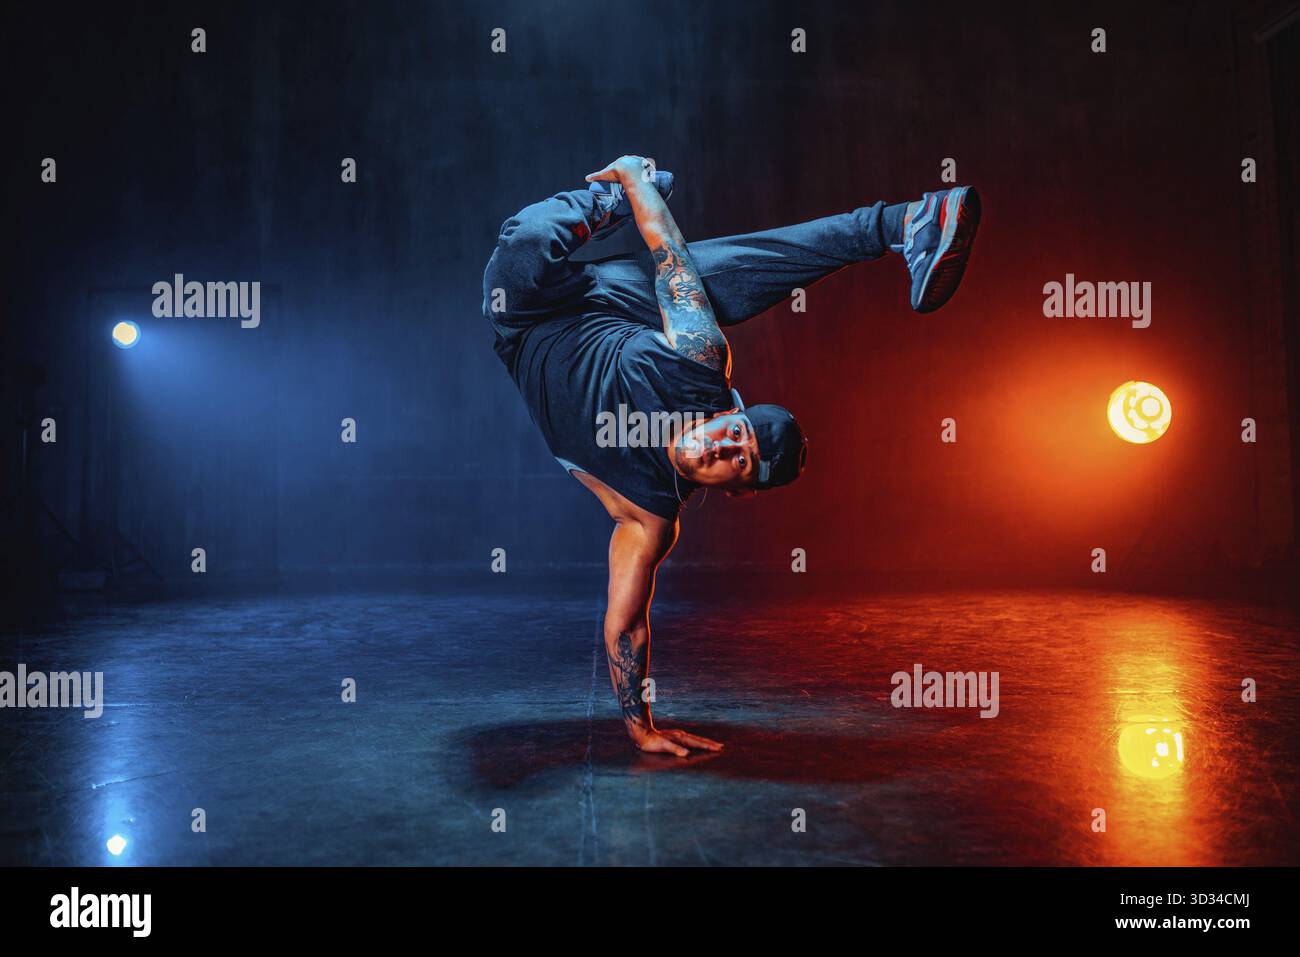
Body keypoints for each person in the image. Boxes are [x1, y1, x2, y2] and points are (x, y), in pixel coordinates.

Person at [483, 155, 981, 755]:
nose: (721, 445)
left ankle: (909, 226)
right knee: (691, 285)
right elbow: (665, 248)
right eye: (734, 431)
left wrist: (639, 727)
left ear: (737, 489)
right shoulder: (698, 367)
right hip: (623, 299)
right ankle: (907, 222)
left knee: (525, 250)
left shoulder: (648, 516)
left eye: (737, 460)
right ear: (728, 412)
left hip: (530, 318)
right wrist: (636, 185)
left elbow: (627, 625)